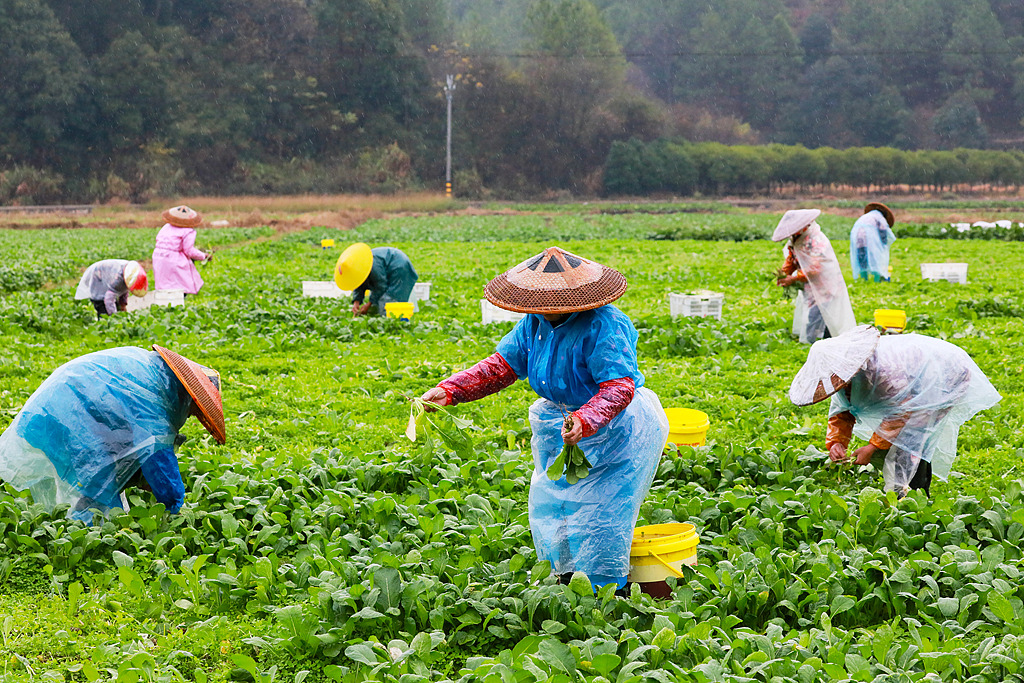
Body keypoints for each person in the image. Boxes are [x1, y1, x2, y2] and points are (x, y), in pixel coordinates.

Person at [419, 247, 669, 594]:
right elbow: (503, 366)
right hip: (561, 425)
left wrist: (586, 418)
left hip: (616, 430)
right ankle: (566, 579)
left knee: (602, 510)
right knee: (557, 504)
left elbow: (618, 385)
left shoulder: (605, 325)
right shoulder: (533, 324)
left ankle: (609, 592)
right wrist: (451, 391)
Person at [0, 345, 226, 522]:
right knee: (99, 493)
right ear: (187, 396)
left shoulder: (152, 374)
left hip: (59, 408)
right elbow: (158, 458)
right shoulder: (155, 400)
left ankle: (80, 529)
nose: (188, 416)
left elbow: (127, 443)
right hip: (65, 414)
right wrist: (174, 506)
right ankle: (89, 542)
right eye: (192, 411)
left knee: (98, 483)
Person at [789, 325, 1001, 497]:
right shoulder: (841, 376)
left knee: (912, 440)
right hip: (913, 383)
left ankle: (911, 493)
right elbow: (842, 410)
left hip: (941, 374)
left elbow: (902, 412)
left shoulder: (883, 371)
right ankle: (898, 489)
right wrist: (837, 442)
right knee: (894, 443)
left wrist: (871, 447)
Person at [774, 208, 856, 343]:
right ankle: (826, 339)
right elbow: (792, 258)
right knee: (820, 313)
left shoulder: (816, 240)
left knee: (820, 313)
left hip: (825, 285)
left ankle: (814, 342)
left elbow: (814, 268)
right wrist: (785, 273)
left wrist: (793, 278)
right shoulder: (795, 239)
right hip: (810, 286)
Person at [334, 242, 418, 317]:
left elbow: (381, 286)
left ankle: (395, 323)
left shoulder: (373, 266)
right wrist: (357, 302)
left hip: (399, 266)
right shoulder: (356, 268)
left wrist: (369, 304)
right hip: (388, 267)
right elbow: (359, 283)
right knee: (379, 303)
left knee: (389, 300)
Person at [153, 205, 211, 294]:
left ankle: (165, 306)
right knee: (181, 285)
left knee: (164, 286)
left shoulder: (166, 227)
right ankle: (177, 305)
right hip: (173, 259)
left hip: (158, 256)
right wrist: (203, 256)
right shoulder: (188, 231)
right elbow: (189, 250)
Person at [74, 259, 148, 318]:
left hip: (106, 280)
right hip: (97, 280)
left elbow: (125, 290)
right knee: (103, 310)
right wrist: (114, 317)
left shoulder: (128, 277)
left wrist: (123, 305)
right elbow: (109, 298)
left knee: (116, 307)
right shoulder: (119, 279)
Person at [850, 202, 896, 282]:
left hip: (857, 235)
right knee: (875, 257)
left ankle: (864, 279)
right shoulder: (880, 217)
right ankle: (877, 279)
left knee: (862, 256)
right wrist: (883, 243)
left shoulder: (866, 217)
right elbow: (883, 231)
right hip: (869, 236)